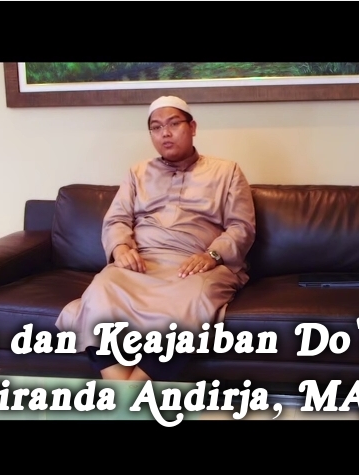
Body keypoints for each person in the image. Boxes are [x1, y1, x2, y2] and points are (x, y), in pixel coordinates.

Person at [55, 95, 256, 382]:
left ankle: (124, 398)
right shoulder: (137, 173)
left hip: (196, 264)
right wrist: (121, 247)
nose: (165, 133)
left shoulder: (227, 171)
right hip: (142, 262)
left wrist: (212, 255)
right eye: (157, 127)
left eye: (174, 124)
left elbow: (241, 226)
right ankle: (129, 397)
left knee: (193, 301)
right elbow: (117, 219)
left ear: (192, 127)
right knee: (100, 292)